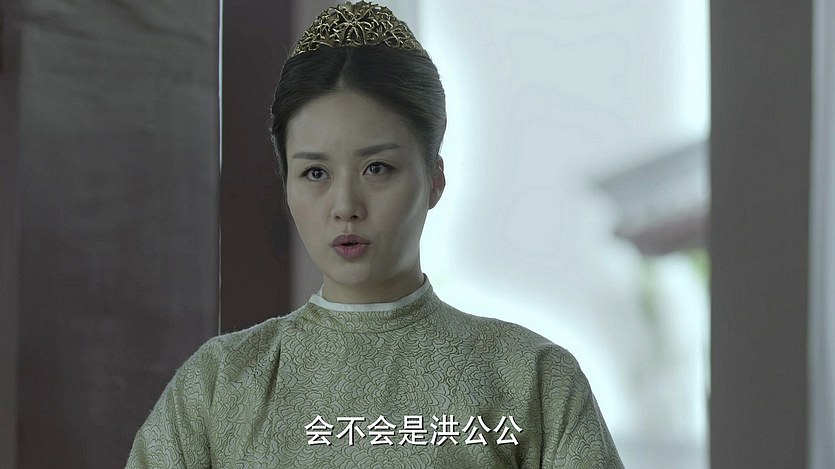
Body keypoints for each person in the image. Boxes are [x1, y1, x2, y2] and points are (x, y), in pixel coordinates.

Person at [125, 2, 624, 467]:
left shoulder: (532, 379)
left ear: (434, 179)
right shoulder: (217, 385)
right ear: (286, 186)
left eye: (377, 168)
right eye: (315, 173)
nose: (345, 206)